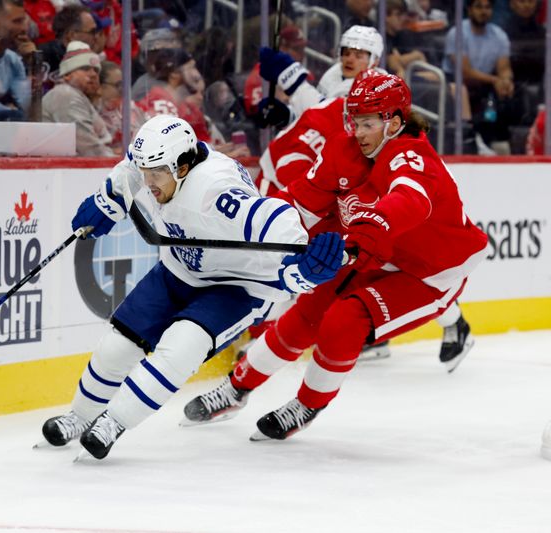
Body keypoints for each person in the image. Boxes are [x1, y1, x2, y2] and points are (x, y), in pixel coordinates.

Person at [182, 72, 489, 440]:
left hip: (428, 272)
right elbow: (301, 203)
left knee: (343, 321)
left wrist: (363, 235)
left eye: (368, 123)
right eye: (354, 121)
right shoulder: (343, 150)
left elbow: (407, 200)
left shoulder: (412, 156)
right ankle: (236, 389)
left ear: (393, 122)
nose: (358, 132)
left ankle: (307, 404)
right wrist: (247, 223)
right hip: (372, 254)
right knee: (304, 314)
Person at [39, 114, 346, 460]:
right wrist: (108, 200)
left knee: (180, 348)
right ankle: (80, 416)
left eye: (156, 174)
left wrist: (303, 270)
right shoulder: (163, 160)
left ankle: (113, 422)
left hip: (237, 286)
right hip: (179, 269)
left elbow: (273, 218)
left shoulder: (216, 192)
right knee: (116, 346)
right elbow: (130, 166)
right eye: (147, 172)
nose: (148, 182)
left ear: (183, 167)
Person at [443, 0, 516, 154]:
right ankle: (468, 142)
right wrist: (496, 80)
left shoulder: (499, 35)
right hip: (456, 82)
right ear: (469, 10)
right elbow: (465, 72)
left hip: (485, 83)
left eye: (487, 7)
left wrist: (506, 80)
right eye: (478, 7)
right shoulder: (457, 33)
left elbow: (504, 67)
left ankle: (502, 143)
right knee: (464, 90)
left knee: (512, 93)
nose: (483, 11)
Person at [41, 40, 114, 156]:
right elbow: (89, 149)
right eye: (85, 69)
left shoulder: (78, 96)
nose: (93, 74)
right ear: (67, 75)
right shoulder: (65, 95)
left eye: (96, 70)